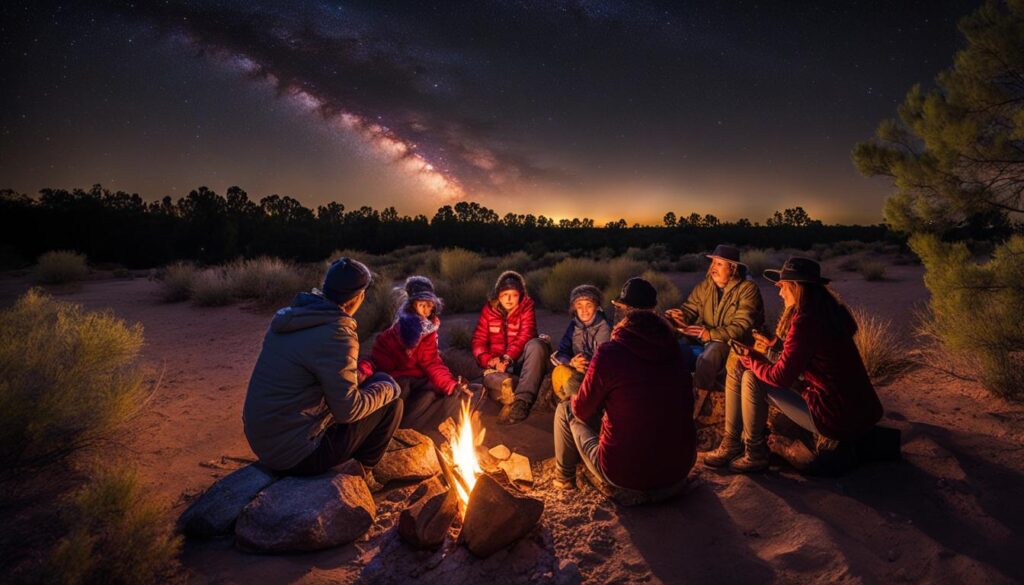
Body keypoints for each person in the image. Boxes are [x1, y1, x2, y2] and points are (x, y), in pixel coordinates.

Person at [703, 257, 884, 473]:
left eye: (782, 287)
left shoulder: (805, 320)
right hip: (858, 410)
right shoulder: (828, 312)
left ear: (796, 287)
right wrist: (773, 346)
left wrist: (752, 359)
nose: (779, 293)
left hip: (833, 415)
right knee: (746, 366)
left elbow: (781, 377)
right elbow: (809, 357)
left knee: (751, 376)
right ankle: (733, 443)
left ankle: (753, 452)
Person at [242, 258, 402, 476]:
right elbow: (349, 411)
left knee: (374, 383)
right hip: (296, 455)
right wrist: (391, 388)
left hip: (264, 441)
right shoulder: (336, 333)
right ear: (358, 297)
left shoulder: (293, 317)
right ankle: (362, 473)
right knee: (392, 403)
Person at [553, 277, 696, 502]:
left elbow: (581, 410)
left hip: (625, 474)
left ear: (622, 310)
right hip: (678, 470)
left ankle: (563, 477)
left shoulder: (610, 352)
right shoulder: (674, 349)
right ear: (652, 311)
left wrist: (575, 394)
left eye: (618, 307)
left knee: (566, 410)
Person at [359, 276, 472, 442]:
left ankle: (434, 432)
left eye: (429, 305)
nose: (426, 310)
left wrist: (450, 385)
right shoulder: (392, 334)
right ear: (412, 305)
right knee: (399, 392)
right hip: (397, 380)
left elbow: (432, 362)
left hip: (418, 378)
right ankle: (393, 433)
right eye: (422, 305)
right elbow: (377, 360)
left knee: (444, 393)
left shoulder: (429, 331)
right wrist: (364, 370)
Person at [666, 244, 765, 399]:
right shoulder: (706, 286)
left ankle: (698, 402)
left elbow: (741, 327)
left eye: (719, 264)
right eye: (712, 263)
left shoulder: (748, 289)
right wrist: (679, 317)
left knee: (711, 353)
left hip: (735, 345)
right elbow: (690, 309)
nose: (713, 267)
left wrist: (709, 334)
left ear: (732, 268)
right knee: (673, 350)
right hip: (706, 340)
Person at [471, 270, 547, 425]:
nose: (509, 299)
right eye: (505, 294)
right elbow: (478, 340)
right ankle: (503, 395)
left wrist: (507, 358)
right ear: (498, 295)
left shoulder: (526, 308)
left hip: (518, 359)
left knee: (537, 345)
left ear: (520, 295)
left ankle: (522, 401)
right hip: (497, 362)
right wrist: (490, 360)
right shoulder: (489, 311)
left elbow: (526, 335)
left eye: (514, 294)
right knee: (492, 382)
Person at [550, 284, 612, 402]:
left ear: (597, 306)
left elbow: (604, 357)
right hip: (577, 367)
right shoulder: (574, 326)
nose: (584, 310)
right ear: (574, 308)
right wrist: (571, 362)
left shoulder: (605, 327)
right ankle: (568, 401)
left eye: (588, 305)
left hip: (597, 372)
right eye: (579, 306)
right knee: (559, 371)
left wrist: (584, 363)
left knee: (576, 380)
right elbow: (563, 351)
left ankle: (578, 404)